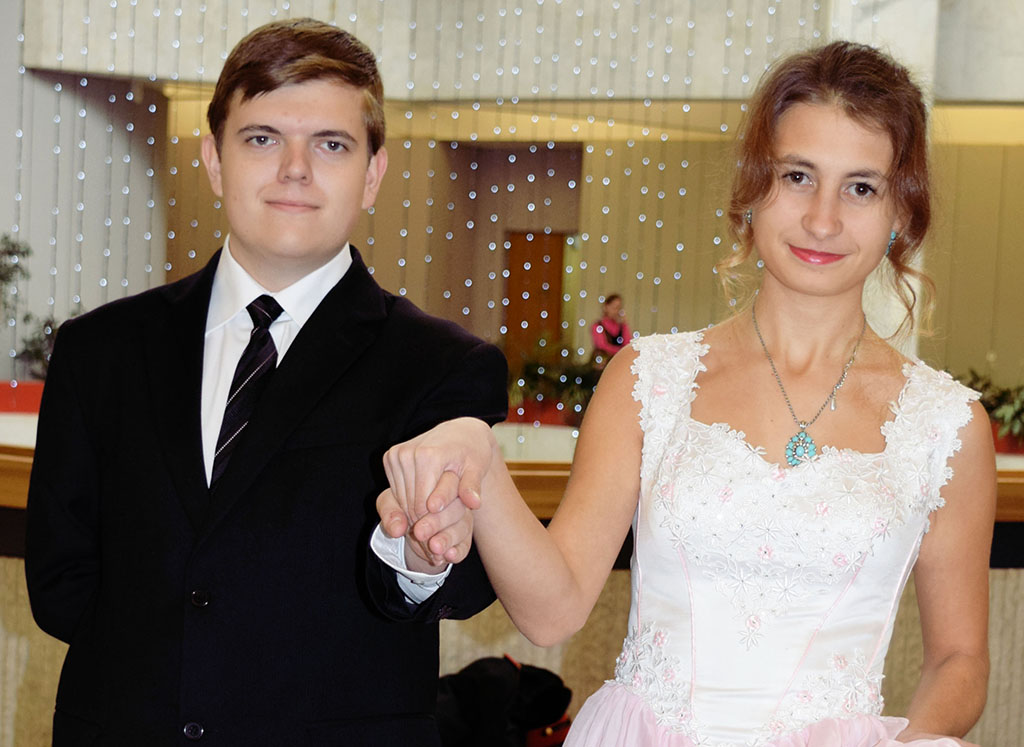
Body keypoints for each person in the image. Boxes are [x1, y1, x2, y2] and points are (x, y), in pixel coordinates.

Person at [378, 41, 996, 746]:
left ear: (902, 210)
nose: (823, 220)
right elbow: (552, 612)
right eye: (798, 176)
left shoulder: (947, 425)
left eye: (861, 187)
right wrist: (481, 458)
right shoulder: (648, 379)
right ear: (754, 187)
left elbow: (960, 659)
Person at [25, 18, 506, 746]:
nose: (294, 169)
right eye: (261, 138)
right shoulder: (99, 350)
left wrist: (415, 557)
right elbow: (62, 582)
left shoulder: (444, 364)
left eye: (331, 144)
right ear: (215, 161)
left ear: (373, 175)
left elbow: (464, 586)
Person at [590, 293, 631, 369]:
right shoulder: (598, 326)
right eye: (614, 307)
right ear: (606, 307)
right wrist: (620, 351)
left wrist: (624, 324)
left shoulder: (621, 326)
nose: (616, 311)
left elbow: (627, 344)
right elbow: (602, 345)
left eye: (619, 308)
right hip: (602, 363)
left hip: (618, 362)